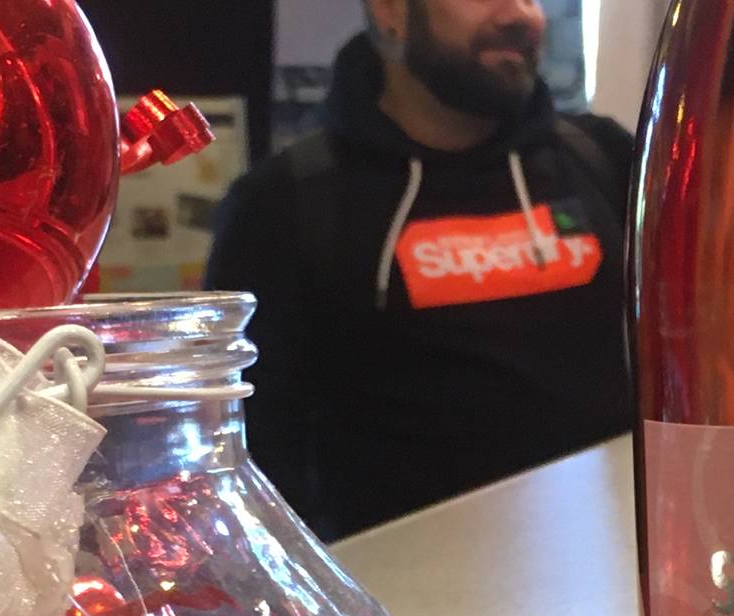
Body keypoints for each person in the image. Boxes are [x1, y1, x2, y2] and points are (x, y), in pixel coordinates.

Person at [206, 0, 635, 539]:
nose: (521, 14)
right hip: (399, 580)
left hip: (611, 556)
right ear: (390, 10)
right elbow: (255, 452)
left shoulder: (605, 159)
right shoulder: (282, 205)